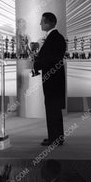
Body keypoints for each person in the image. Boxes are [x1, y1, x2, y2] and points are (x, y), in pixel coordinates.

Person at [31, 13, 66, 146]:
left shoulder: (55, 38)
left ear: (50, 23)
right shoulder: (53, 37)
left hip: (53, 79)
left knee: (53, 108)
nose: (40, 24)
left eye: (42, 22)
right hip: (52, 78)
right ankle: (55, 136)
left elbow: (52, 59)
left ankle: (55, 138)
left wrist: (37, 63)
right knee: (52, 108)